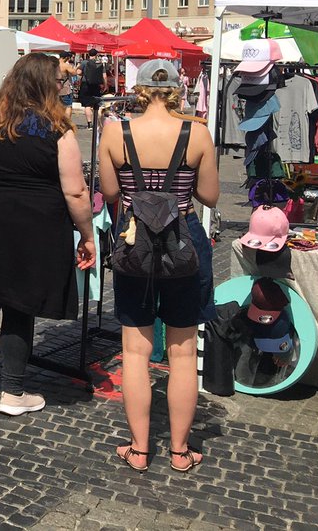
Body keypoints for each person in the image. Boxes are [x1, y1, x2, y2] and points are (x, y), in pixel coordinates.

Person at [0, 52, 96, 414]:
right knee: (18, 301)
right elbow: (76, 190)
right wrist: (87, 234)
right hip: (30, 222)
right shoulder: (56, 129)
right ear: (47, 85)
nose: (63, 87)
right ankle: (12, 392)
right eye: (59, 82)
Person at [97, 60, 219, 473]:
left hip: (135, 243)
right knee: (182, 353)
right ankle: (181, 451)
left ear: (140, 89)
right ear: (175, 91)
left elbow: (111, 191)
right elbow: (211, 196)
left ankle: (139, 448)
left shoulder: (116, 132)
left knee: (134, 351)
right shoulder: (197, 132)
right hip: (183, 241)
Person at [77, 48, 106, 129]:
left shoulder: (84, 62)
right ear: (96, 55)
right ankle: (99, 123)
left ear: (88, 54)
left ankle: (89, 124)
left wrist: (83, 74)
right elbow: (104, 76)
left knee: (87, 105)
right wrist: (105, 85)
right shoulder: (99, 63)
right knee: (97, 104)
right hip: (96, 85)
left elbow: (78, 72)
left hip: (85, 85)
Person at [58, 53, 79, 121]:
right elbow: (74, 73)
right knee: (68, 106)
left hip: (54, 89)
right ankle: (67, 122)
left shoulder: (53, 64)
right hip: (65, 89)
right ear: (66, 58)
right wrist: (76, 67)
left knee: (57, 106)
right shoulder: (66, 65)